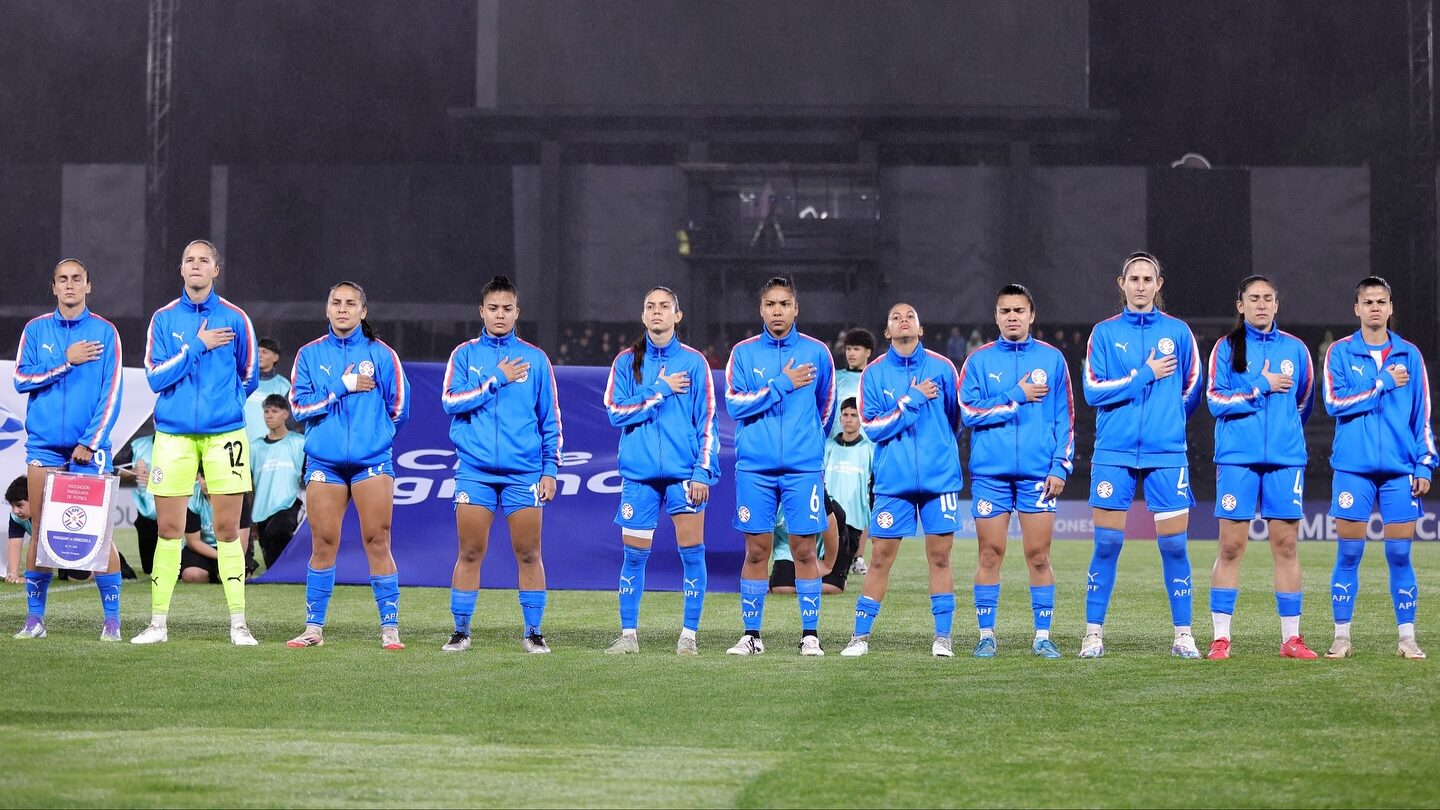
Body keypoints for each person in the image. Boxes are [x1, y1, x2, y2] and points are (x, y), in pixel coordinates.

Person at [131, 240, 259, 646]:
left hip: (225, 435)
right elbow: (155, 377)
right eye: (190, 259)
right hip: (174, 435)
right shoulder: (164, 318)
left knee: (228, 529)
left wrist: (226, 406)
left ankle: (239, 624)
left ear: (216, 269)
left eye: (204, 260)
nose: (197, 265)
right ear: (182, 269)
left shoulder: (236, 318)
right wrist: (196, 347)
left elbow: (250, 376)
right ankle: (158, 624)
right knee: (169, 529)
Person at [1079, 252, 1203, 659]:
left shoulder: (1179, 333)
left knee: (1174, 546)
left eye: (1148, 279)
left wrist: (1166, 421)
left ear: (1158, 285)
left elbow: (1192, 389)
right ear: (1122, 284)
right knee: (1107, 543)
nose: (1140, 285)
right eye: (1134, 278)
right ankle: (1093, 634)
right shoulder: (1103, 333)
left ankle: (1183, 634)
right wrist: (1145, 375)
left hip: (1166, 454)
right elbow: (1093, 391)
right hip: (1114, 452)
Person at [285, 282, 410, 650]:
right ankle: (313, 629)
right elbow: (299, 408)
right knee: (323, 542)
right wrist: (341, 386)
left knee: (378, 540)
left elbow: (399, 409)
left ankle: (390, 628)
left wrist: (376, 438)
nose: (342, 309)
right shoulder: (309, 355)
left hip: (372, 463)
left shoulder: (382, 355)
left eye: (350, 303)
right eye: (336, 303)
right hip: (325, 463)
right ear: (327, 309)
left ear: (363, 311)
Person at [441, 275, 562, 654]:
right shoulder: (464, 355)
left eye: (507, 308)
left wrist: (550, 469)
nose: (500, 314)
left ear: (517, 312)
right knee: (469, 552)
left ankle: (534, 632)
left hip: (523, 473)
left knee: (529, 553)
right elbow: (450, 402)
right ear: (482, 311)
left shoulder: (536, 359)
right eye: (493, 308)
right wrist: (496, 379)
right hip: (475, 472)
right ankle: (460, 631)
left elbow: (550, 420)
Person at [11, 259, 125, 640]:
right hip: (43, 448)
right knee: (41, 530)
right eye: (63, 279)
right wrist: (65, 359)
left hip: (88, 450)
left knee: (98, 535)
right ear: (54, 287)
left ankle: (112, 622)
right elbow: (21, 379)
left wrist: (90, 441)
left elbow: (112, 393)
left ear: (88, 286)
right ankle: (34, 620)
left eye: (77, 279)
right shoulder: (35, 330)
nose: (70, 285)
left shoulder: (106, 332)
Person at [1323, 276, 1436, 659]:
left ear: (1390, 308)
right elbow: (1334, 403)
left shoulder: (1409, 355)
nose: (1375, 307)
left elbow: (1422, 416)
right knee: (1349, 554)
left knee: (1400, 555)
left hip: (1399, 471)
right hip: (1353, 469)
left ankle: (1407, 638)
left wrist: (1424, 464)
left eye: (1381, 301)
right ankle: (1342, 637)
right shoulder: (1339, 352)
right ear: (1357, 308)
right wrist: (1381, 383)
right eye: (1368, 302)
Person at [601, 287, 719, 655]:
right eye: (650, 306)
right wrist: (659, 390)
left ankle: (688, 637)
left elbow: (708, 422)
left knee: (692, 555)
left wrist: (703, 472)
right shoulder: (626, 362)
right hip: (640, 476)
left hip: (685, 474)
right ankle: (628, 636)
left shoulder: (695, 363)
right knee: (634, 557)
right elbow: (614, 412)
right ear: (643, 316)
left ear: (677, 316)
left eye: (664, 306)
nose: (657, 312)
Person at [1205, 276, 1317, 660]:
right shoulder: (1226, 348)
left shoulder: (1296, 349)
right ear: (1241, 305)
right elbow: (1215, 400)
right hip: (1237, 458)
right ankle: (1221, 638)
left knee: (1286, 546)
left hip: (1285, 459)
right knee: (1231, 547)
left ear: (1276, 304)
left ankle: (1291, 639)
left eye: (1268, 298)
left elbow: (1304, 403)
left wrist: (1283, 433)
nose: (1261, 304)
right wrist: (1260, 386)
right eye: (1254, 298)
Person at [841, 302, 963, 658]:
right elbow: (873, 428)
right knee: (880, 558)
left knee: (940, 558)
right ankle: (859, 637)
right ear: (887, 331)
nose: (903, 320)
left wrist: (936, 448)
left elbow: (953, 421)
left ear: (920, 329)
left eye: (910, 316)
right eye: (895, 317)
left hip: (939, 480)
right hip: (893, 481)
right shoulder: (874, 373)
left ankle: (943, 638)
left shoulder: (943, 367)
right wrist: (911, 400)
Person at [959, 284, 1074, 659]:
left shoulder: (1052, 360)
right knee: (990, 554)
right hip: (991, 476)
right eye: (1005, 311)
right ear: (996, 316)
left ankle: (1042, 636)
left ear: (1031, 315)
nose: (1012, 317)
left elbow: (1065, 419)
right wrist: (1015, 396)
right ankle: (986, 635)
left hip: (1039, 475)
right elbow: (968, 413)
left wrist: (1060, 466)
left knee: (1038, 556)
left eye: (1019, 311)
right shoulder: (978, 361)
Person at [724, 275, 835, 656]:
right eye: (770, 304)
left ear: (795, 309)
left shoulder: (817, 353)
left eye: (784, 304)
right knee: (757, 551)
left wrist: (808, 446)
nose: (777, 311)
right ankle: (751, 636)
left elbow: (826, 410)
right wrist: (780, 385)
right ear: (761, 309)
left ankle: (810, 636)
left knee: (804, 551)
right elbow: (735, 405)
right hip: (755, 469)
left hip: (803, 469)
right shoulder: (743, 353)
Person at [249, 395, 305, 570]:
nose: (269, 415)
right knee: (271, 559)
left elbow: (308, 476)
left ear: (285, 414)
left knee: (277, 532)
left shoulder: (299, 443)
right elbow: (249, 483)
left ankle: (292, 570)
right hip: (261, 511)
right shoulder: (255, 447)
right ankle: (287, 573)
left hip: (290, 503)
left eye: (274, 411)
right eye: (266, 411)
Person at [824, 397, 873, 576]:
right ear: (840, 418)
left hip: (854, 518)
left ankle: (856, 560)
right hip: (829, 516)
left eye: (854, 415)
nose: (849, 419)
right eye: (845, 415)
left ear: (861, 420)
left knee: (837, 572)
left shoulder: (869, 449)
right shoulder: (828, 446)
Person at [768, 496, 857, 595]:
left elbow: (830, 523)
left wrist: (827, 565)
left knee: (830, 587)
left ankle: (839, 574)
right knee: (783, 589)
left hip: (829, 533)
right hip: (787, 539)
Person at [244, 337, 292, 442]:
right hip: (241, 441)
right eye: (257, 351)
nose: (259, 355)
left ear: (275, 357)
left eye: (264, 352)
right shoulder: (244, 381)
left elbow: (288, 420)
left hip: (266, 445)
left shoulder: (283, 386)